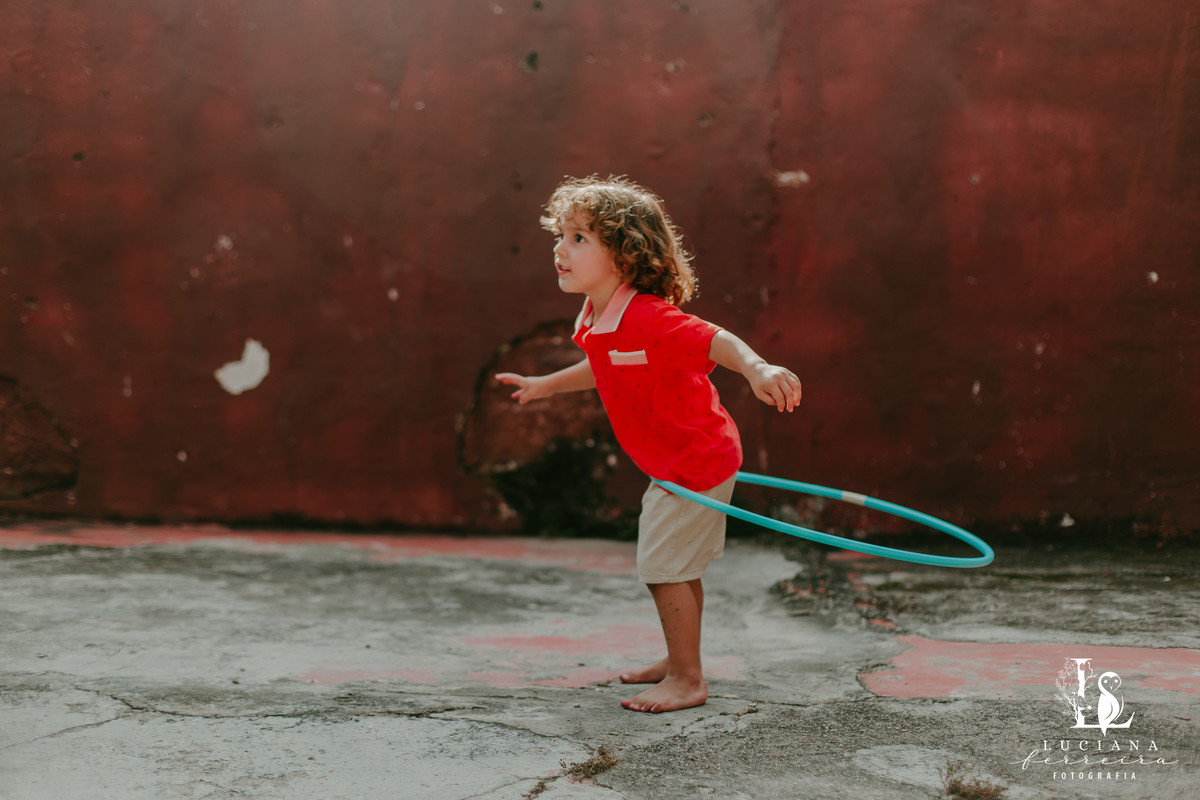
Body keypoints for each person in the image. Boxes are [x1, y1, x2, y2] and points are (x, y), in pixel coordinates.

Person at [496, 175, 801, 713]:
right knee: (676, 567)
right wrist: (544, 386)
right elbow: (601, 366)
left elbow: (715, 340)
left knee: (663, 568)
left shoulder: (648, 317)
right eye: (560, 236)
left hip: (694, 460)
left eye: (579, 238)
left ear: (626, 256)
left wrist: (757, 368)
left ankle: (687, 679)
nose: (559, 249)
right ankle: (679, 659)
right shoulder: (596, 314)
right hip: (676, 459)